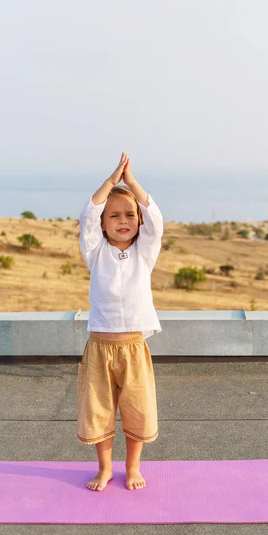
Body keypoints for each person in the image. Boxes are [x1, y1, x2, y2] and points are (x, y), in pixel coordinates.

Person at [77, 152, 163, 492]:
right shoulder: (95, 251)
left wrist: (132, 184)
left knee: (136, 408)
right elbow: (88, 214)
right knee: (99, 410)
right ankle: (105, 468)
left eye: (130, 215)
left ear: (138, 221)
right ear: (103, 224)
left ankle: (132, 467)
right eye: (114, 216)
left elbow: (156, 219)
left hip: (133, 346)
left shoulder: (145, 252)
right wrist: (112, 181)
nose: (123, 220)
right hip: (100, 345)